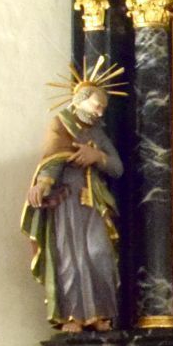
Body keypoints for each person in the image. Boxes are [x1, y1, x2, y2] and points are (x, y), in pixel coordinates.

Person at [19, 72, 123, 332]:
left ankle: (100, 313)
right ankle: (73, 317)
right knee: (68, 259)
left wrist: (96, 156)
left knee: (99, 253)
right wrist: (43, 184)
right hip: (65, 201)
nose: (100, 112)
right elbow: (51, 157)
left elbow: (118, 168)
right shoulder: (60, 124)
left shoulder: (97, 134)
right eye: (97, 105)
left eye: (103, 108)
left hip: (93, 201)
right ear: (80, 100)